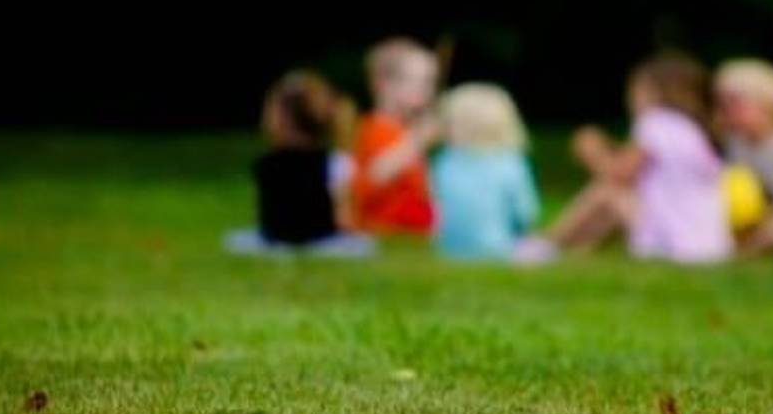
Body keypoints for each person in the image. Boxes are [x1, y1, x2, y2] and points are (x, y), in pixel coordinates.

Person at [519, 51, 732, 263]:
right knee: (621, 201)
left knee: (608, 192)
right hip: (708, 243)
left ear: (653, 92)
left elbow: (620, 174)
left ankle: (546, 244)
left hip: (674, 240)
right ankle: (573, 253)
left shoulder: (657, 122)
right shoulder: (694, 130)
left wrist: (592, 152)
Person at [223, 71, 374, 257]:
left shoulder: (265, 164)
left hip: (274, 241)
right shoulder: (336, 163)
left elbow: (266, 216)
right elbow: (342, 217)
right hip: (323, 242)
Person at [431, 83, 540, 260]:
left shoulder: (445, 161)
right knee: (540, 248)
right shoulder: (510, 162)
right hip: (498, 248)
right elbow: (525, 212)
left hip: (449, 249)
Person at [350, 38, 438, 235]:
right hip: (384, 225)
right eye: (416, 81)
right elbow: (375, 175)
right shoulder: (375, 128)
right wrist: (417, 141)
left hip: (413, 226)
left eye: (429, 81)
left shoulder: (406, 131)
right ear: (383, 84)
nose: (426, 90)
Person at [714, 58, 773, 252]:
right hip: (739, 220)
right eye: (722, 106)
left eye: (734, 105)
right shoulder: (731, 143)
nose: (726, 113)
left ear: (768, 106)